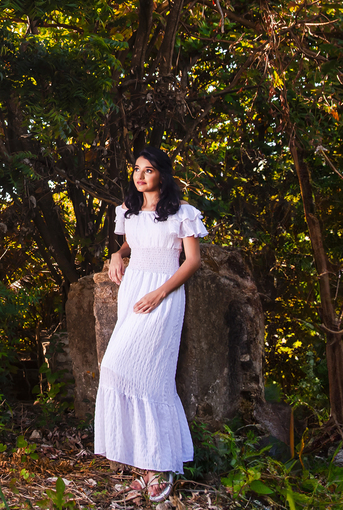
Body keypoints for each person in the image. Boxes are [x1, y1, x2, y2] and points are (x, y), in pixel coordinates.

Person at [93, 146, 207, 502]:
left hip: (163, 294)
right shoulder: (129, 212)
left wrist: (160, 294)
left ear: (162, 175)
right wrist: (116, 254)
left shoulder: (182, 213)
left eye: (149, 170)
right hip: (132, 292)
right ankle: (144, 463)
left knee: (152, 377)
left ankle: (159, 466)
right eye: (137, 169)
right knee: (114, 368)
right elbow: (131, 243)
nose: (140, 176)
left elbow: (192, 262)